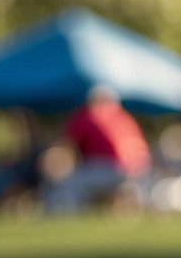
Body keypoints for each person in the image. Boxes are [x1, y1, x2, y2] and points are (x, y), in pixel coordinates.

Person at [44, 85, 151, 213]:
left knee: (70, 184)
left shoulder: (89, 116)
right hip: (132, 173)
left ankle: (63, 214)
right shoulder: (126, 118)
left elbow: (64, 147)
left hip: (102, 168)